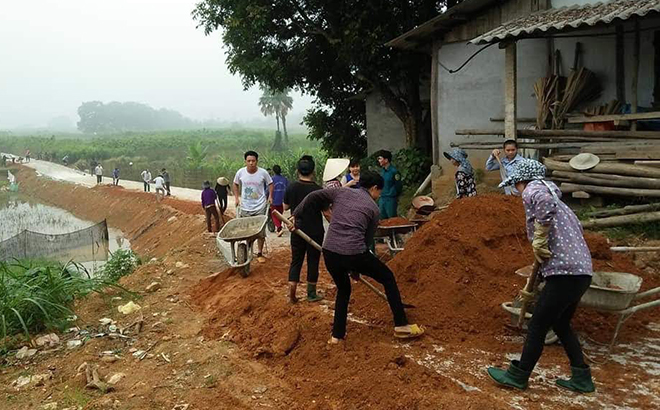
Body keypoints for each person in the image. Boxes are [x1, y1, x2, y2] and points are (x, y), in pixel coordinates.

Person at [487, 159, 594, 393]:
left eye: (516, 185)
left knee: (537, 325)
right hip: (580, 272)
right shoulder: (563, 205)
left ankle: (518, 376)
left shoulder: (536, 189)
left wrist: (541, 233)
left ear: (522, 181)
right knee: (561, 323)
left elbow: (543, 205)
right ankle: (582, 377)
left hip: (564, 273)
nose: (516, 190)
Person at [292, 171, 424, 343]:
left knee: (344, 289)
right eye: (379, 192)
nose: (379, 196)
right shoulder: (373, 209)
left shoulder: (341, 192)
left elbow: (313, 196)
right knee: (388, 277)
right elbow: (366, 241)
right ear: (375, 188)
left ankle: (337, 336)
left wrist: (296, 215)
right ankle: (401, 325)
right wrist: (356, 265)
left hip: (330, 252)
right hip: (354, 252)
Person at [283, 156, 325, 303]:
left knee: (296, 260)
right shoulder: (318, 190)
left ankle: (292, 295)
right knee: (313, 261)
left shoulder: (291, 187)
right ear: (313, 171)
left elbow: (285, 206)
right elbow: (326, 212)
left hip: (297, 229)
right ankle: (311, 294)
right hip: (315, 231)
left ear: (297, 171)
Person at [233, 150, 273, 263]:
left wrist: (270, 196)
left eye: (253, 161)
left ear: (257, 161)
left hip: (260, 206)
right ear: (245, 161)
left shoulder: (263, 173)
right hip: (245, 207)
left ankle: (259, 253)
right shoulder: (240, 172)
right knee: (246, 231)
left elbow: (270, 183)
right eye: (249, 161)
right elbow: (235, 184)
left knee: (260, 231)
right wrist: (236, 198)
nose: (251, 163)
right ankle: (247, 249)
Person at [376, 150, 402, 219]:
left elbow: (398, 186)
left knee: (392, 219)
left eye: (380, 158)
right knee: (382, 219)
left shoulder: (394, 172)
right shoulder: (382, 171)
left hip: (391, 199)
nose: (379, 160)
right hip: (382, 198)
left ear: (386, 160)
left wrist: (394, 194)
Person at [271, 165, 288, 237]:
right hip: (283, 200)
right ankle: (279, 226)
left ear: (273, 171)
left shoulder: (271, 179)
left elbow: (267, 190)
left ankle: (279, 227)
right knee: (280, 214)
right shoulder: (285, 179)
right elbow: (288, 189)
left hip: (274, 199)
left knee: (274, 214)